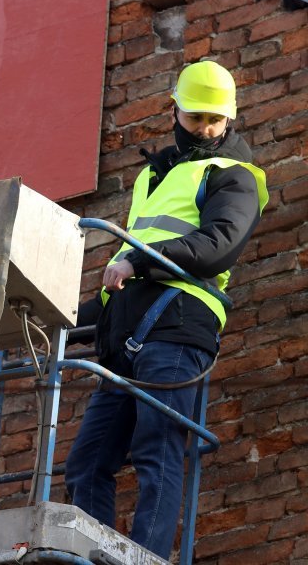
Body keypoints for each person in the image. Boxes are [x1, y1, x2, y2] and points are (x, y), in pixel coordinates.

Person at [65, 61, 268, 559]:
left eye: (216, 120)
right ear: (174, 109)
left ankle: (145, 558)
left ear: (230, 119)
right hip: (127, 335)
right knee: (86, 463)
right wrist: (58, 325)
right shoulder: (151, 178)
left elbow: (219, 244)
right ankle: (98, 556)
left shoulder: (235, 176)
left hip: (179, 329)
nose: (206, 129)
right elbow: (119, 285)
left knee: (158, 449)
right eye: (196, 117)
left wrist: (136, 259)